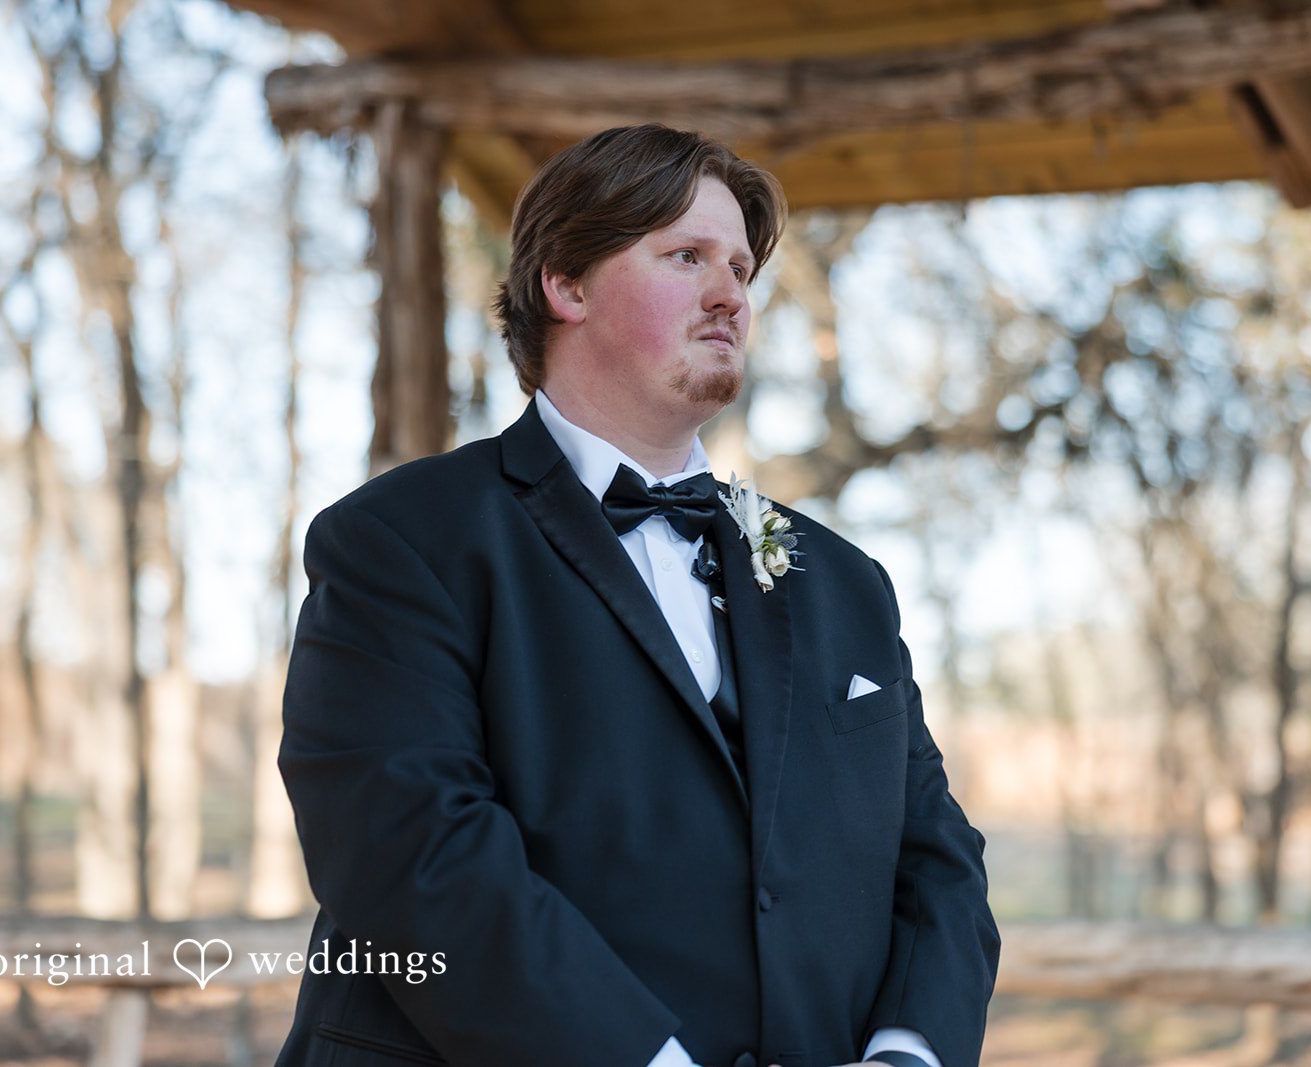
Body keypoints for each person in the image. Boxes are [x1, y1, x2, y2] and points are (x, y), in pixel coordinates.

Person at [276, 123, 999, 1067]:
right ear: (566, 285)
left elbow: (936, 857)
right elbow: (413, 863)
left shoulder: (846, 582)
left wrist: (909, 1053)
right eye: (686, 256)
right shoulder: (402, 542)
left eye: (740, 267)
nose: (730, 293)